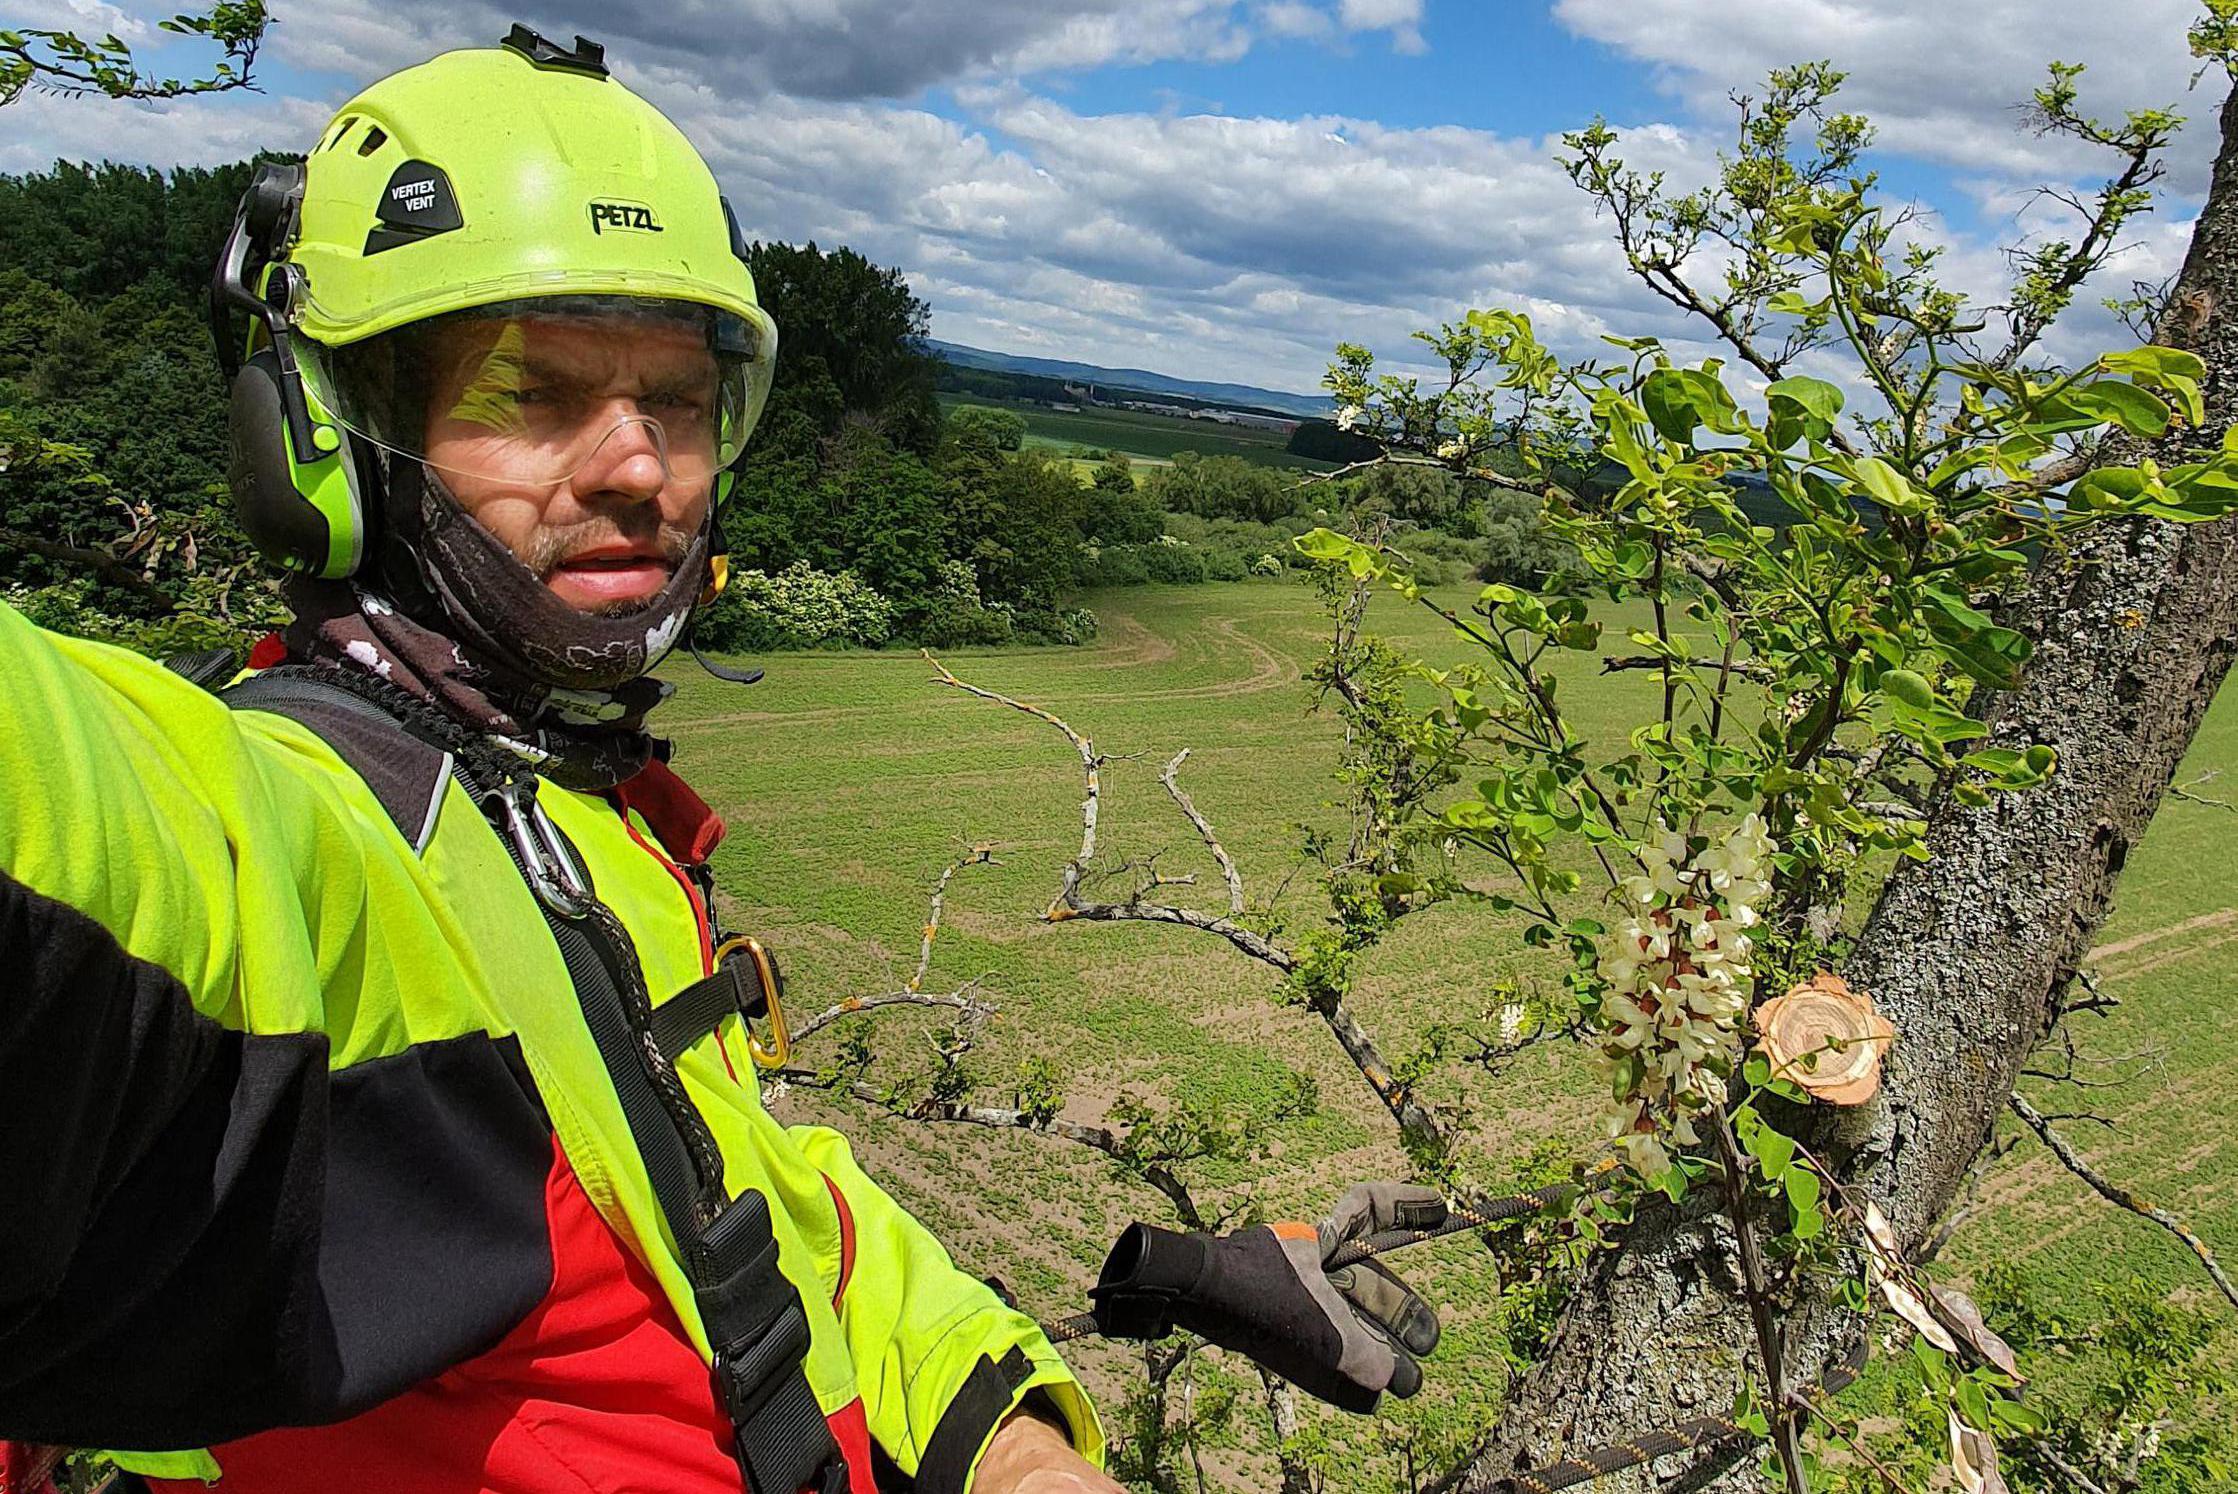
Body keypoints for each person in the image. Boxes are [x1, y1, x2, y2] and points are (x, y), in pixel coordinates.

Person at [0, 25, 1440, 1494]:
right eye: (530, 389)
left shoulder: (581, 815)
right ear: (325, 437)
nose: (639, 466)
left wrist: (1011, 1447)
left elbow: (754, 1204)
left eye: (677, 401)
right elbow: (66, 805)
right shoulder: (303, 837)